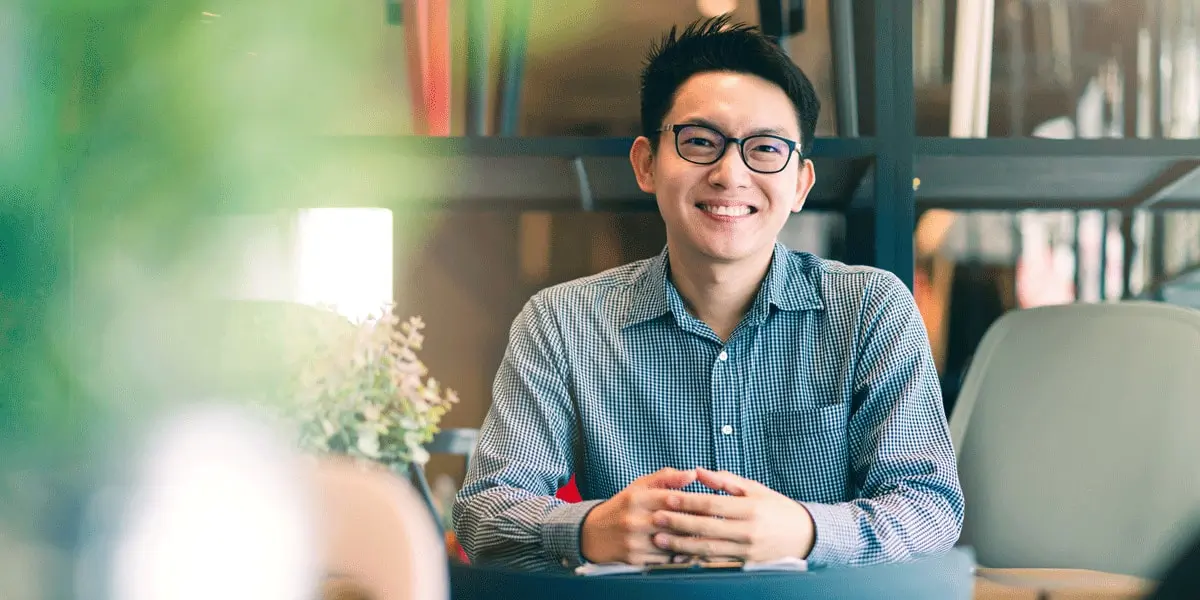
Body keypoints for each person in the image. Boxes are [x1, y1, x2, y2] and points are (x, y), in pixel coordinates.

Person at [453, 16, 963, 572]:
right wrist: (591, 530)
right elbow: (484, 517)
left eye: (764, 149)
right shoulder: (561, 321)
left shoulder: (871, 309)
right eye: (700, 142)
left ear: (799, 184)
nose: (729, 173)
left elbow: (929, 507)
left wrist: (806, 531)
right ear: (647, 164)